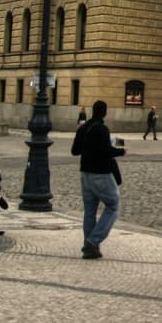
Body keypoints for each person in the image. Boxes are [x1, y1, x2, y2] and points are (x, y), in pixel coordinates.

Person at [71, 100, 127, 259]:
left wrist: (87, 147)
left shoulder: (83, 128)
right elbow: (105, 151)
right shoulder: (101, 129)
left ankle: (89, 248)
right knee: (113, 206)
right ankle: (93, 241)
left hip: (85, 174)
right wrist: (121, 151)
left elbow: (75, 151)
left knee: (89, 212)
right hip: (101, 173)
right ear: (105, 112)